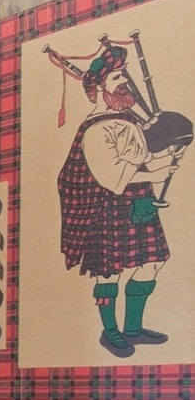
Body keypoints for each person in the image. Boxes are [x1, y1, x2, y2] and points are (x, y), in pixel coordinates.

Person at [48, 37, 186, 358]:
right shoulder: (95, 130)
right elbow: (111, 176)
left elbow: (142, 158)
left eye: (123, 74)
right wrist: (155, 174)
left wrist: (167, 156)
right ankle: (110, 331)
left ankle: (133, 328)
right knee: (109, 269)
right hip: (107, 206)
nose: (124, 81)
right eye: (116, 77)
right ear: (99, 89)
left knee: (152, 262)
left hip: (139, 200)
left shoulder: (130, 121)